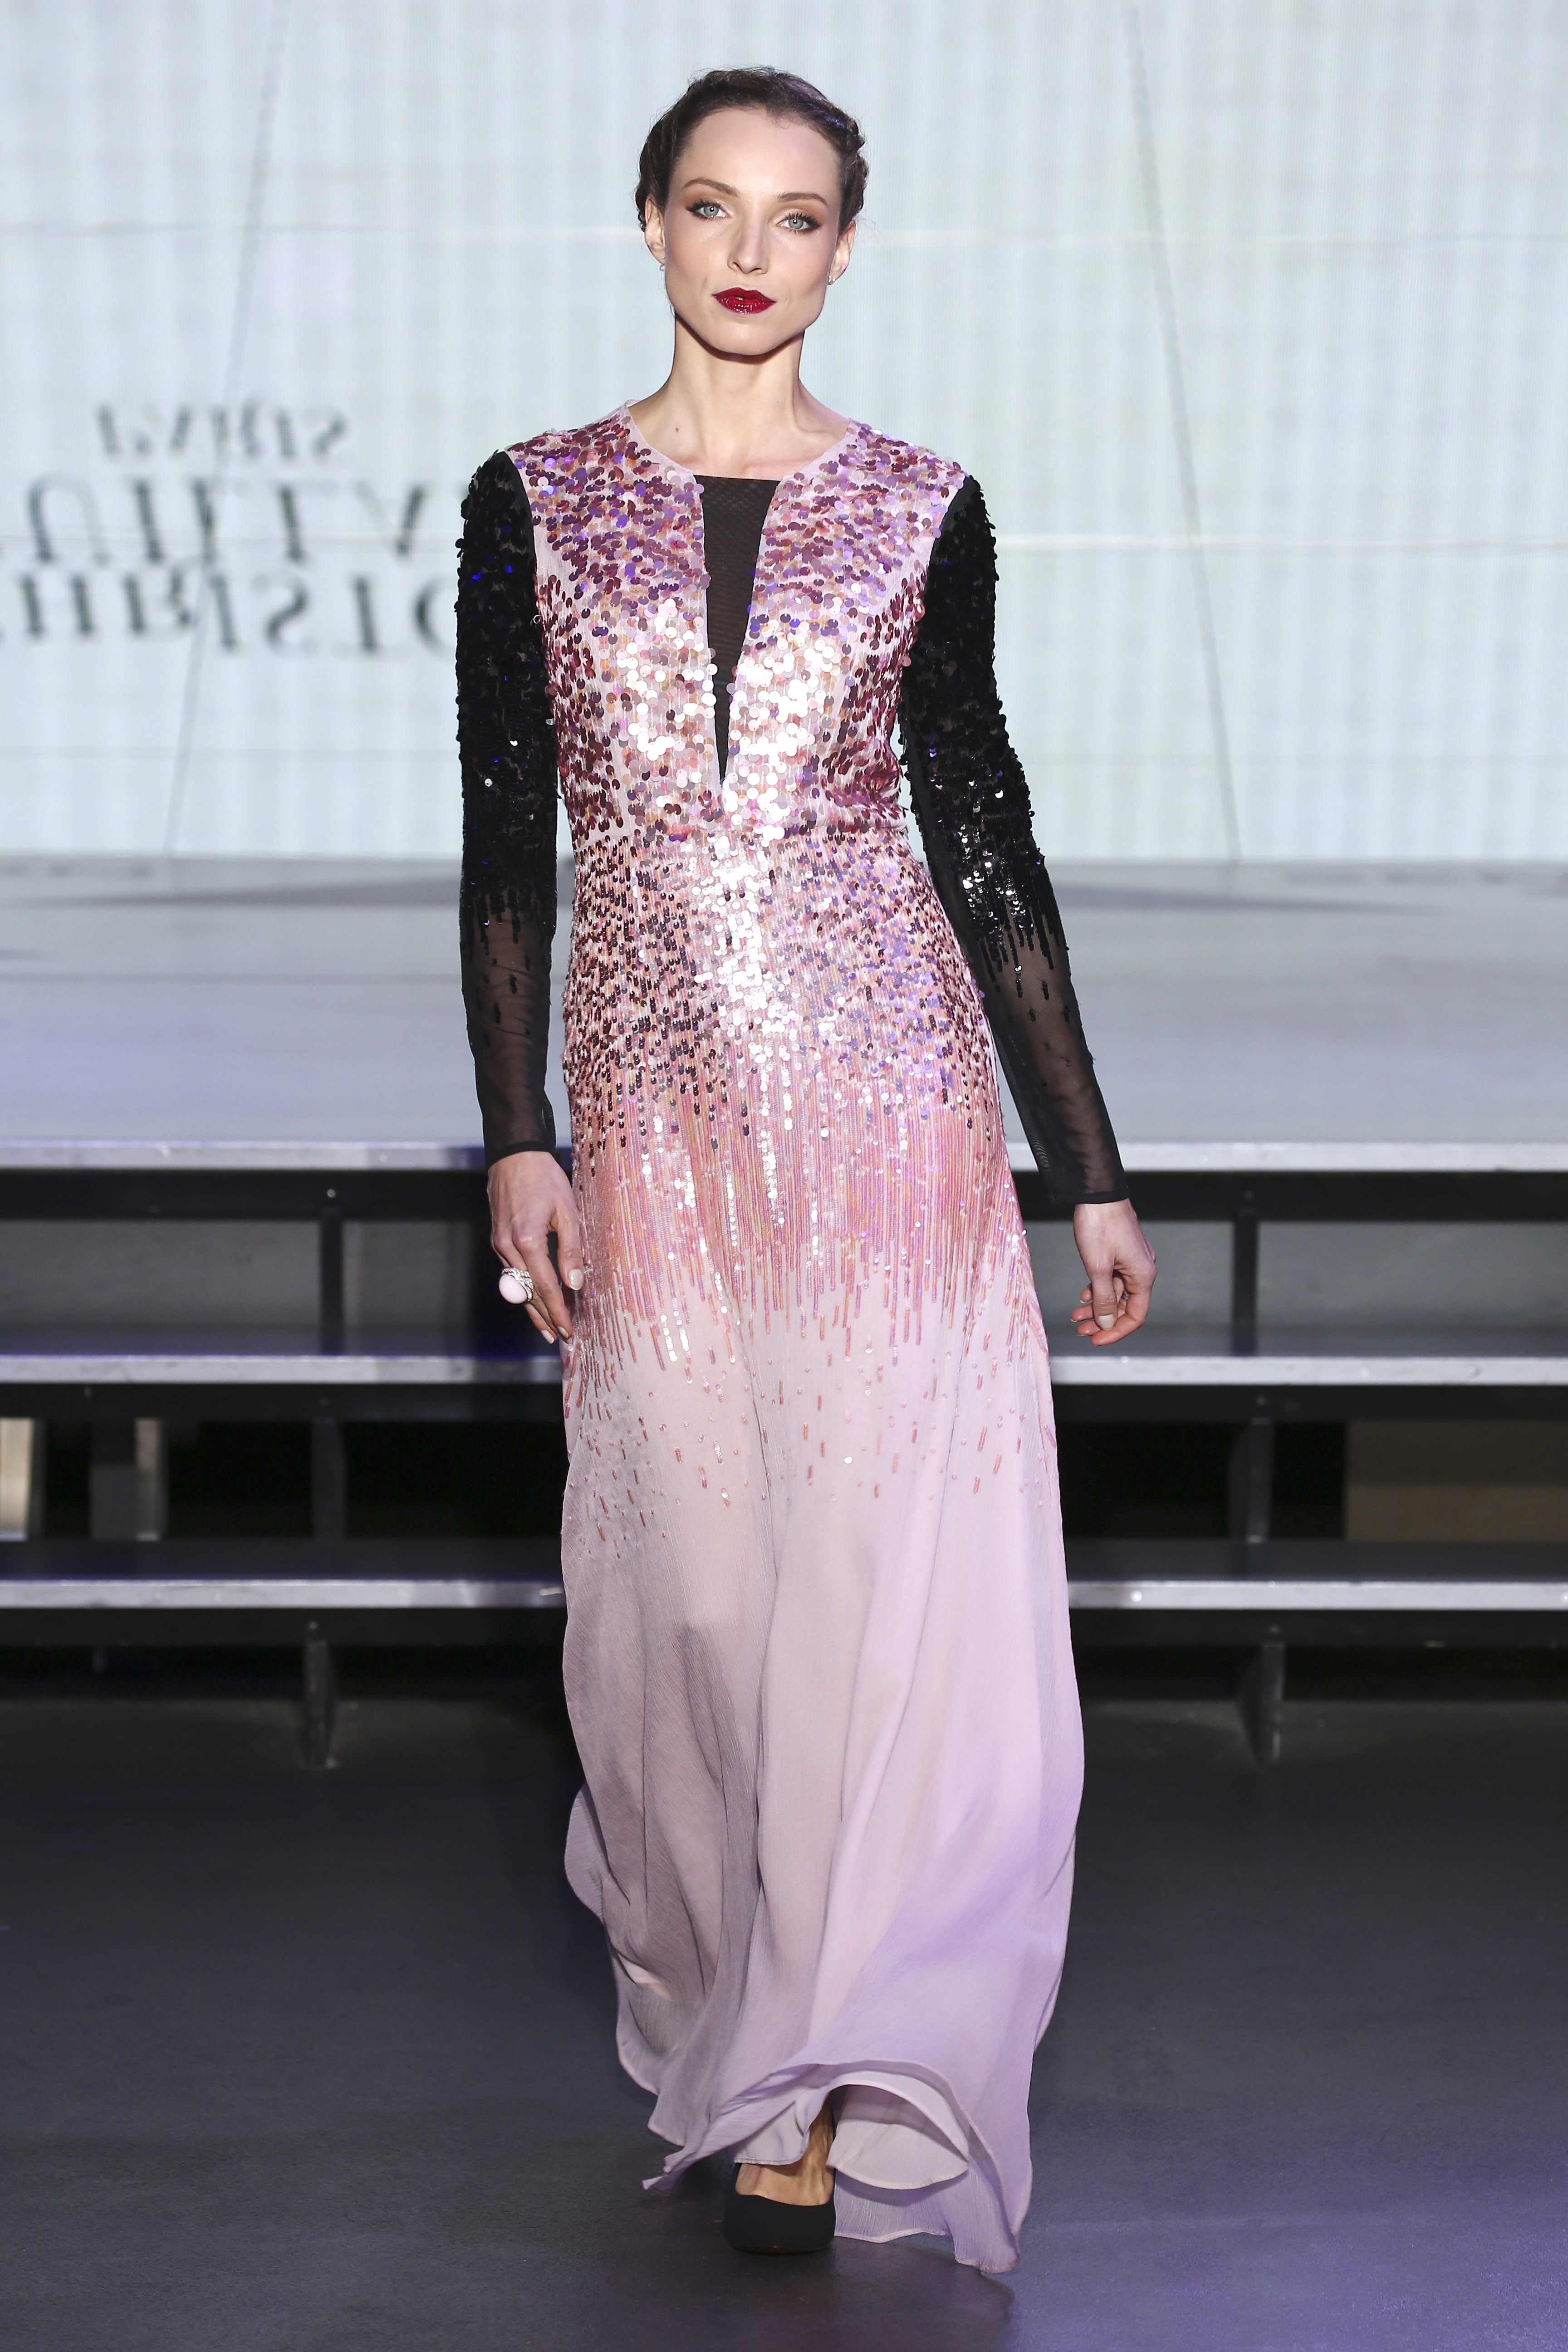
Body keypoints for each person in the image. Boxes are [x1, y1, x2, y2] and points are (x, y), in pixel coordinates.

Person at [456, 66, 1156, 2273]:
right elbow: (508, 848)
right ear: (649, 223)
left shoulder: (925, 504)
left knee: (877, 1601)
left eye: (797, 214)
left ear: (847, 246)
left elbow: (985, 837)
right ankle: (739, 1995)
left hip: (891, 1117)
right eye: (712, 204)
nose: (751, 250)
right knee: (694, 1615)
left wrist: (1087, 1167)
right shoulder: (534, 499)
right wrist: (518, 1132)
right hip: (656, 1128)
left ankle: (829, 2073)